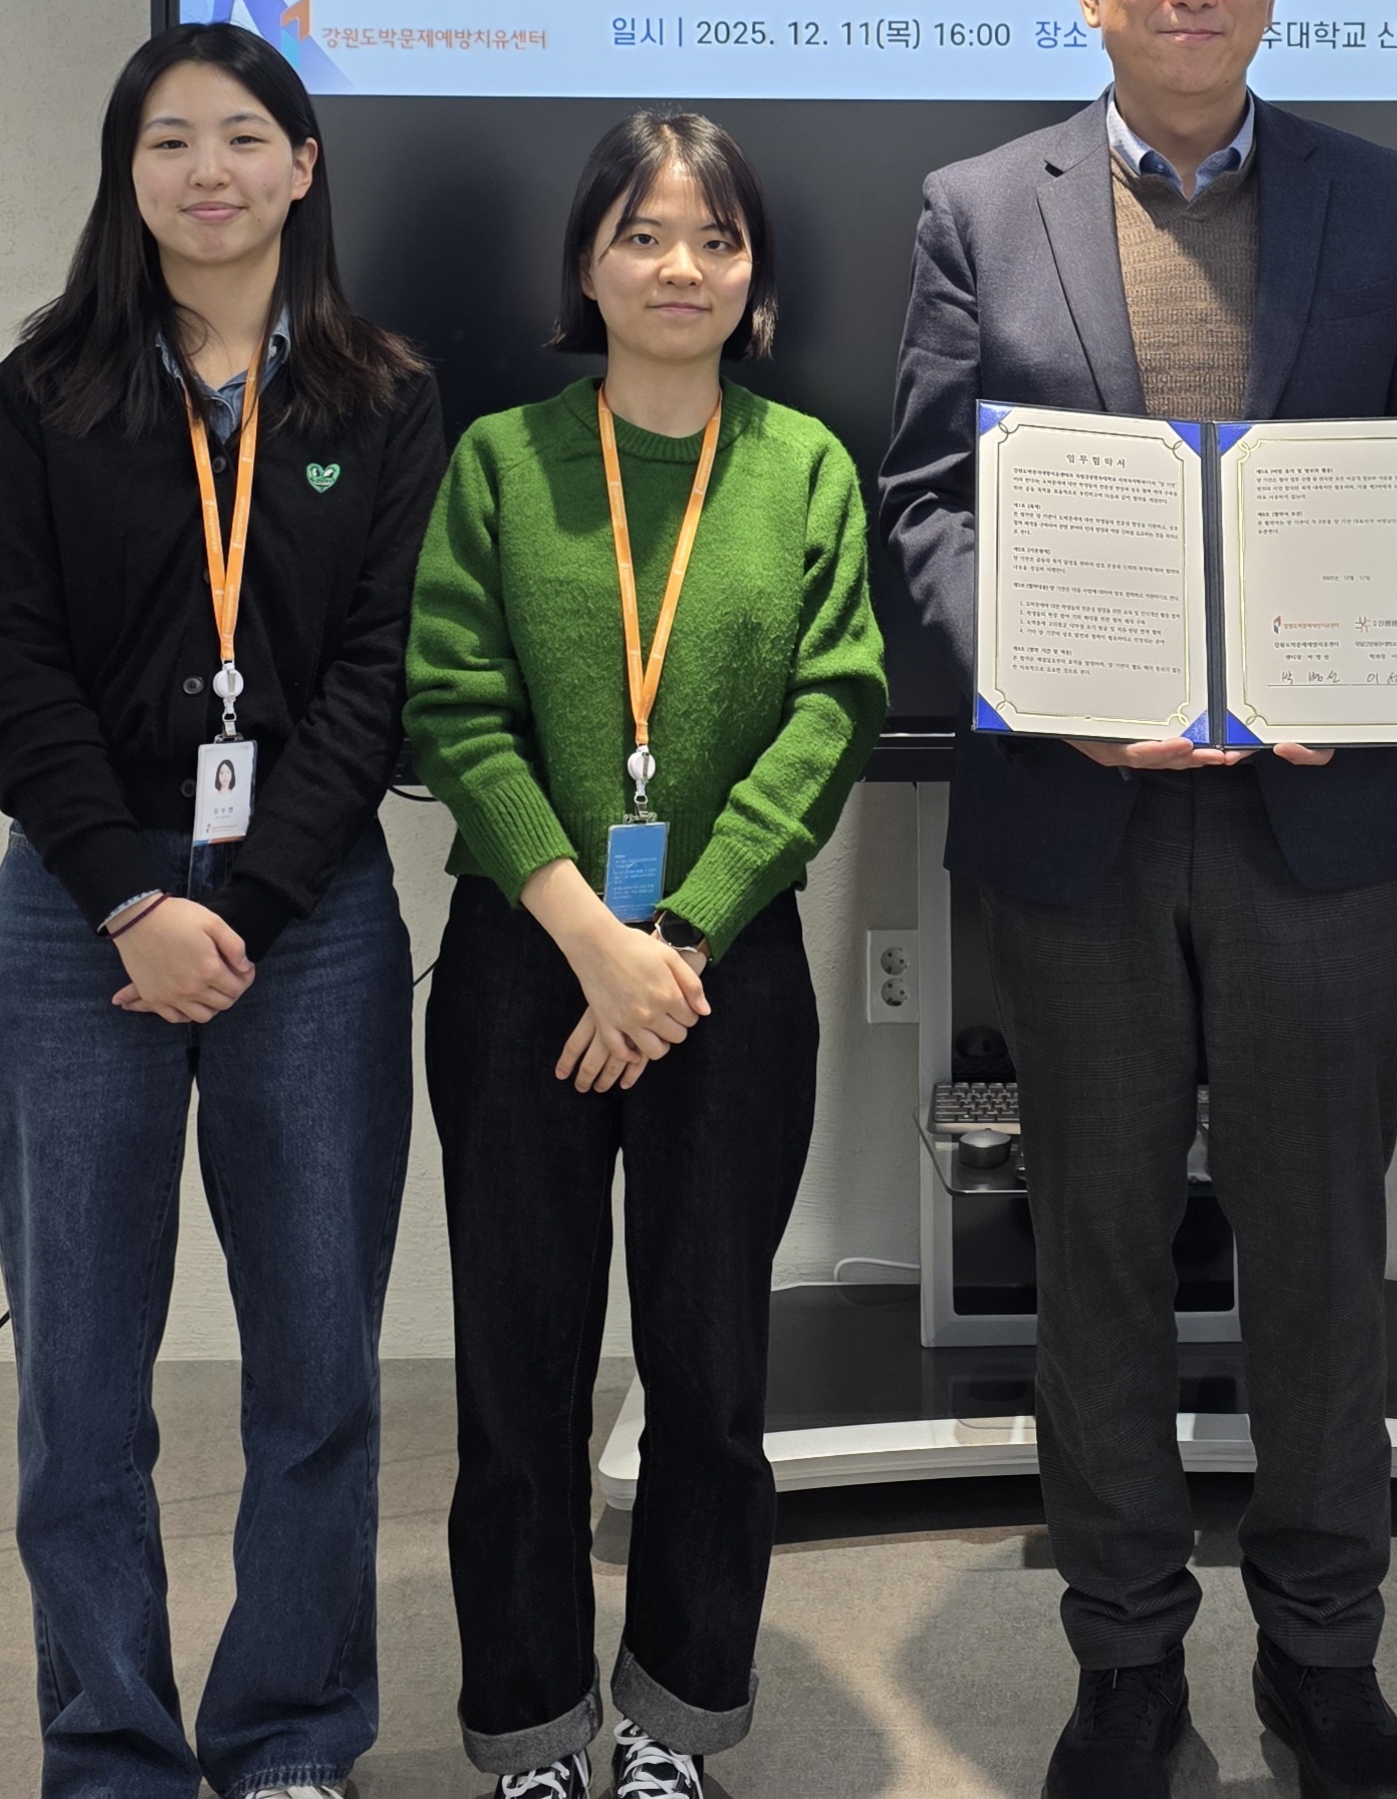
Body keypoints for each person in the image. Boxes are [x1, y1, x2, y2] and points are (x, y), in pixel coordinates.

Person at [881, 0, 1397, 1799]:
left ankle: (1324, 1657)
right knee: (1100, 1254)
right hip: (1082, 817)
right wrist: (1054, 684)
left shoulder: (1381, 198)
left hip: (1316, 809)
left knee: (1320, 1257)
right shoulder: (979, 206)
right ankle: (1124, 1657)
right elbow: (925, 505)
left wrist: (1357, 666)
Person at [0, 21, 443, 1799]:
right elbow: (12, 670)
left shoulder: (383, 397)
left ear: (304, 167)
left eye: (245, 136)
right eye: (169, 140)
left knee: (317, 1370)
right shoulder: (48, 391)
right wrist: (129, 900)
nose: (208, 170)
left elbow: (381, 677)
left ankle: (291, 1735)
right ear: (127, 173)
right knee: (80, 1388)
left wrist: (249, 899)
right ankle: (112, 1752)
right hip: (76, 916)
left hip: (308, 925)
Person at [407, 110, 886, 1799]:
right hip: (523, 965)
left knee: (710, 1374)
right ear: (587, 266)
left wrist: (672, 943)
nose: (681, 267)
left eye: (716, 238)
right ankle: (532, 1729)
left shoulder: (807, 467)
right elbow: (451, 704)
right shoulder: (499, 461)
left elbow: (836, 708)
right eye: (643, 234)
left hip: (723, 976)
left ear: (755, 275)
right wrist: (591, 936)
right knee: (517, 1375)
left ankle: (676, 1721)